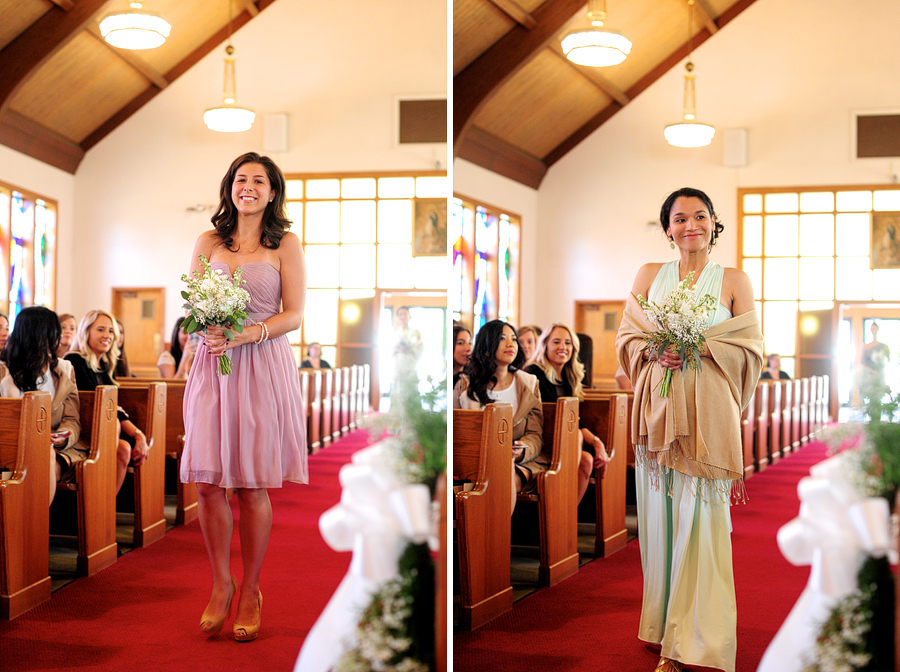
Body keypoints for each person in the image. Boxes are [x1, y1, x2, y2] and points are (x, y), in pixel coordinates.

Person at [616, 188, 762, 672]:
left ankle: (696, 639)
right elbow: (627, 336)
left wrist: (702, 346)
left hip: (710, 416)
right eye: (679, 218)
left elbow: (752, 350)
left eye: (700, 216)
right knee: (661, 525)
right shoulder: (646, 275)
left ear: (714, 223)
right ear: (668, 229)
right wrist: (655, 351)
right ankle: (664, 628)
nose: (690, 225)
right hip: (657, 414)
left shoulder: (735, 279)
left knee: (703, 526)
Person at [181, 152, 308, 642]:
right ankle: (220, 583)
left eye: (258, 180)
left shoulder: (286, 244)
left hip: (261, 363)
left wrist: (247, 333)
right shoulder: (208, 241)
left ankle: (252, 588)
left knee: (252, 484)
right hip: (213, 364)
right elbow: (192, 300)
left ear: (272, 191)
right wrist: (209, 327)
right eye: (240, 179)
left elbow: (294, 314)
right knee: (209, 484)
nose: (248, 186)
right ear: (229, 187)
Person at [453, 319, 547, 514]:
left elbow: (535, 435)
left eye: (513, 338)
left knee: (504, 470)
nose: (511, 344)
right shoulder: (465, 385)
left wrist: (522, 449)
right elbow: (456, 430)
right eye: (502, 339)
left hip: (519, 463)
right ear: (487, 346)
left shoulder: (528, 384)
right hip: (476, 461)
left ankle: (498, 540)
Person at [0, 306, 83, 506]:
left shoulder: (64, 370)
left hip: (56, 450)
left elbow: (73, 419)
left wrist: (63, 436)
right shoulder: (4, 372)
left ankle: (33, 529)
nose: (58, 336)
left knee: (45, 456)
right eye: (53, 331)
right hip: (13, 446)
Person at [65, 309, 150, 495]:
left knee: (124, 448)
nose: (107, 336)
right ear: (86, 332)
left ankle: (106, 507)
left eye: (111, 331)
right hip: (80, 431)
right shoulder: (74, 360)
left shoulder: (102, 365)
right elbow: (99, 404)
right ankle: (98, 505)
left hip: (102, 430)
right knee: (120, 440)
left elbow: (113, 408)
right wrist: (137, 434)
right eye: (101, 330)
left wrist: (139, 435)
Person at [524, 323, 611, 504]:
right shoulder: (534, 374)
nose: (563, 347)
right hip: (541, 442)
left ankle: (566, 520)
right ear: (545, 345)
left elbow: (574, 420)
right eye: (556, 342)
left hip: (565, 442)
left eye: (568, 343)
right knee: (580, 445)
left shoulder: (568, 378)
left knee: (587, 460)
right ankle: (559, 514)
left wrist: (597, 443)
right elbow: (552, 417)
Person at [391, 305, 423, 402]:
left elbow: (420, 347)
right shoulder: (395, 331)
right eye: (400, 314)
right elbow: (390, 347)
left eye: (405, 313)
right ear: (398, 317)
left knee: (411, 385)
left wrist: (410, 350)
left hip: (411, 362)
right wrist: (398, 350)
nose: (403, 316)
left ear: (409, 315)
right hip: (399, 362)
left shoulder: (416, 332)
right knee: (399, 386)